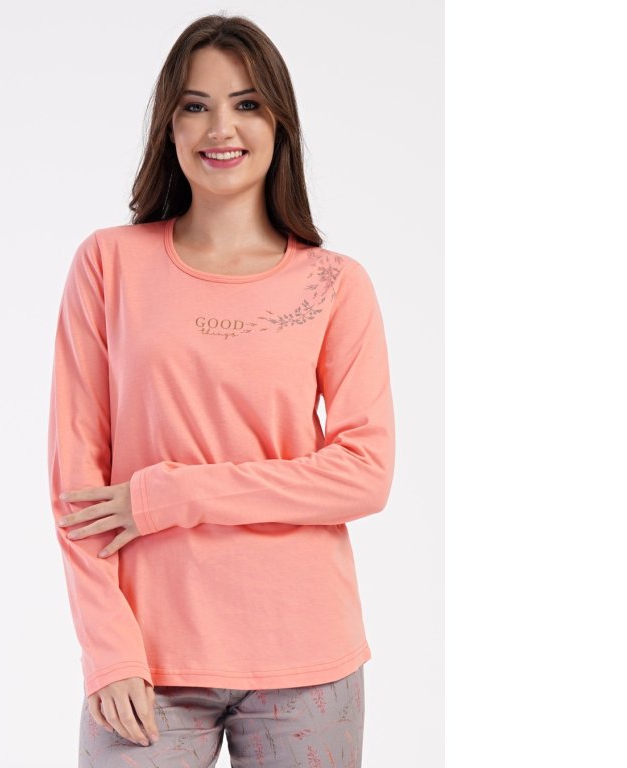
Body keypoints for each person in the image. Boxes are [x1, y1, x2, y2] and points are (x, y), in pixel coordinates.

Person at [48, 13, 396, 767]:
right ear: (169, 126)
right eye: (195, 105)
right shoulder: (108, 265)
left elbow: (365, 475)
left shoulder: (335, 284)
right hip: (149, 658)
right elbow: (75, 479)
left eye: (246, 104)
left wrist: (171, 494)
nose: (220, 128)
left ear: (279, 123)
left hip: (307, 652)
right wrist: (108, 649)